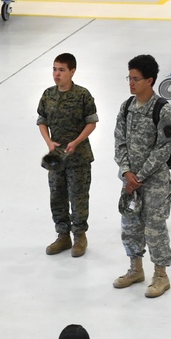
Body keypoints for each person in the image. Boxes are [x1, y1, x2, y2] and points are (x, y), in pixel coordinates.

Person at [113, 54, 171, 298]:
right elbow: (119, 141)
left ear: (150, 81)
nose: (131, 83)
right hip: (130, 181)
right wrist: (126, 172)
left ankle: (161, 275)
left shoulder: (163, 110)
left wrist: (139, 175)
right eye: (129, 77)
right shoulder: (126, 107)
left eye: (136, 79)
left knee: (154, 227)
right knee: (130, 225)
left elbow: (164, 148)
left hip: (154, 182)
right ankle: (135, 269)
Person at [37, 52, 99, 258]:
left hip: (79, 157)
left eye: (61, 70)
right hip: (56, 158)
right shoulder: (48, 95)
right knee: (57, 196)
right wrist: (48, 141)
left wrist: (76, 141)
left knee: (78, 197)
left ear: (72, 71)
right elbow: (42, 121)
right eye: (54, 69)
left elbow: (92, 122)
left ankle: (79, 236)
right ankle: (62, 235)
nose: (56, 74)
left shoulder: (82, 95)